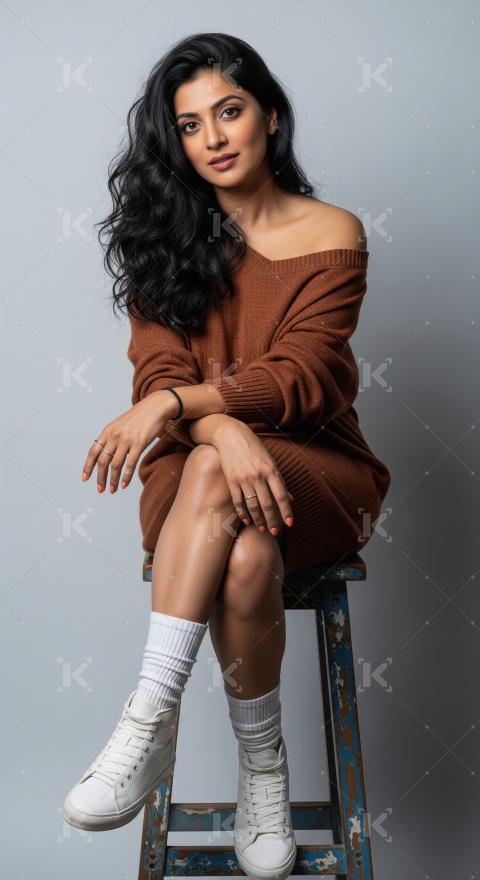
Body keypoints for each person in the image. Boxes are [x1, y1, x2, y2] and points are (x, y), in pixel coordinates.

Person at [63, 32, 391, 880]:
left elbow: (307, 378)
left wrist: (185, 409)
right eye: (191, 124)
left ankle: (145, 721)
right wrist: (220, 426)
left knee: (225, 480)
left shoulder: (333, 232)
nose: (213, 137)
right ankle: (265, 772)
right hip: (200, 476)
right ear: (175, 142)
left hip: (322, 474)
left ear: (269, 116)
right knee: (246, 558)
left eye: (230, 111)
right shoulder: (161, 237)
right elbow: (160, 369)